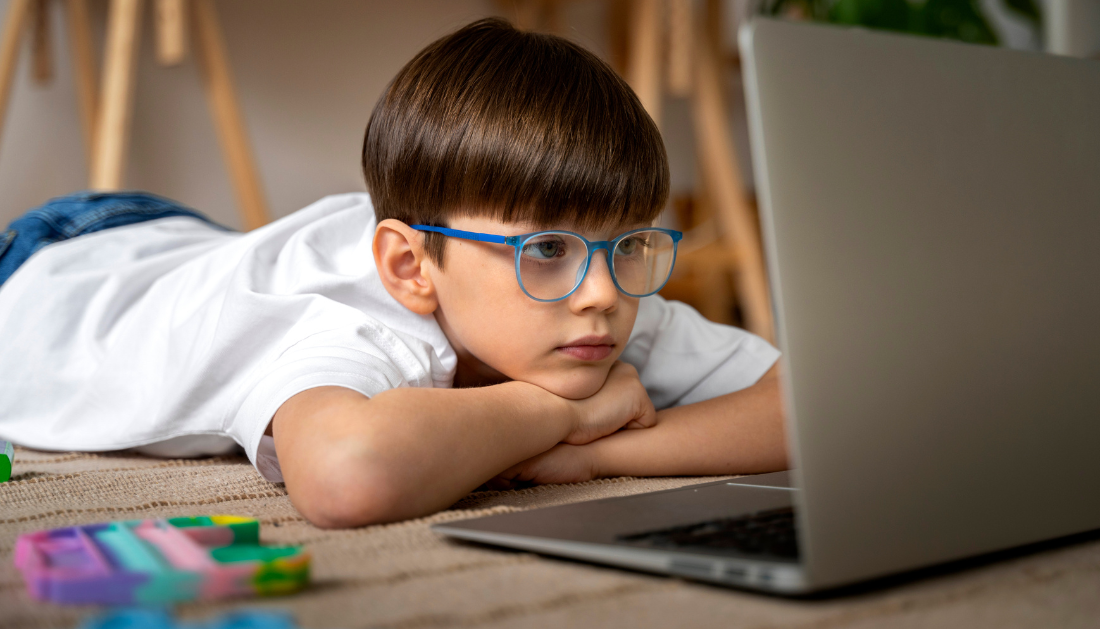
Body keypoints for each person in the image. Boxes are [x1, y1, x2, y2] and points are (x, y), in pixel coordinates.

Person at [0, 18, 786, 528]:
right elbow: (348, 476)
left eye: (629, 244)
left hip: (182, 244)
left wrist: (594, 454)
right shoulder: (356, 324)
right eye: (546, 247)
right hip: (48, 279)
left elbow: (815, 404)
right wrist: (564, 412)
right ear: (411, 268)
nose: (606, 294)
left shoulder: (592, 295)